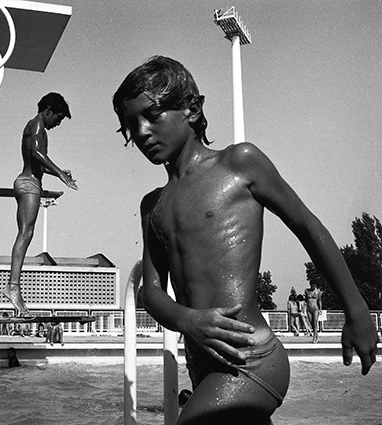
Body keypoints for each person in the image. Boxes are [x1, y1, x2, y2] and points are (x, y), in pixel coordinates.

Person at [112, 55, 378, 425]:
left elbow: (307, 225)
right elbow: (151, 292)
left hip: (251, 358)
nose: (141, 131)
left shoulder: (239, 163)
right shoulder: (152, 206)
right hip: (202, 368)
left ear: (191, 109)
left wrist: (357, 310)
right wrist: (187, 320)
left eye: (152, 115)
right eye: (130, 124)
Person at [4, 93, 78, 316]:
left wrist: (58, 173)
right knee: (25, 234)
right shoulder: (37, 124)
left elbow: (36, 159)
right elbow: (36, 153)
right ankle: (13, 287)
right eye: (58, 117)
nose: (58, 123)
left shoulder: (35, 127)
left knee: (26, 233)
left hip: (28, 181)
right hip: (29, 184)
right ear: (49, 110)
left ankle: (14, 287)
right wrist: (59, 173)